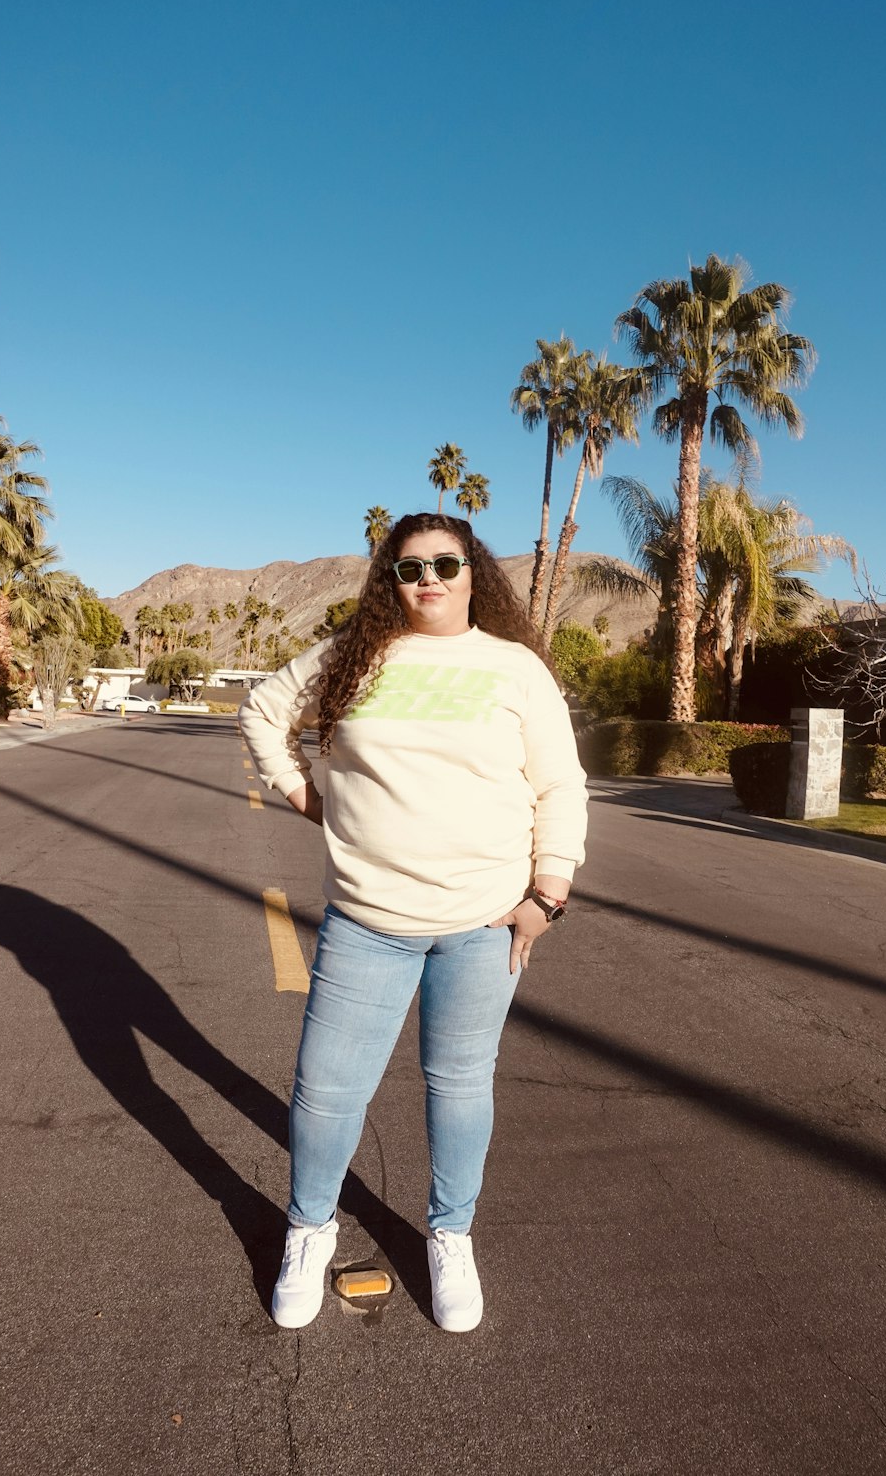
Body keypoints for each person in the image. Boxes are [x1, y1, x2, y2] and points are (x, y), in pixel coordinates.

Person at [239, 512, 587, 1333]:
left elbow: (560, 787)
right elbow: (262, 710)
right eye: (408, 568)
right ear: (388, 580)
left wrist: (548, 895)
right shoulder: (352, 656)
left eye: (445, 563)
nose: (428, 578)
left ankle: (451, 1235)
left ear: (474, 573)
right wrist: (308, 799)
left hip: (483, 921)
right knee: (327, 1091)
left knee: (460, 1087)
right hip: (368, 918)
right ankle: (310, 1228)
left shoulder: (515, 669)